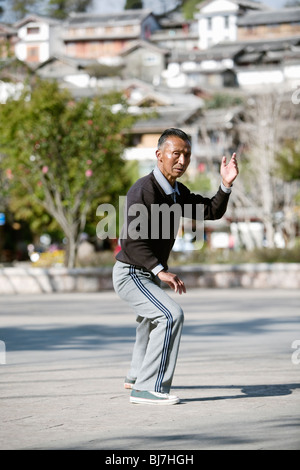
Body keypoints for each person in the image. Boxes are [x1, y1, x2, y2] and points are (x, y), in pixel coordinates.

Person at [113, 128, 239, 405]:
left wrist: (225, 185)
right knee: (170, 315)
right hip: (131, 273)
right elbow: (131, 241)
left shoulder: (176, 192)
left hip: (146, 273)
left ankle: (135, 376)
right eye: (176, 153)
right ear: (159, 155)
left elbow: (210, 211)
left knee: (148, 321)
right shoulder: (144, 190)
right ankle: (147, 389)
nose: (182, 160)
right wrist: (161, 270)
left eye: (187, 155)